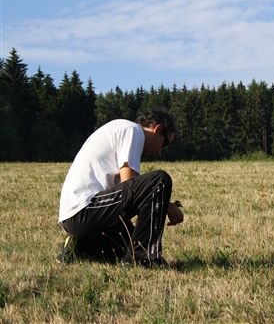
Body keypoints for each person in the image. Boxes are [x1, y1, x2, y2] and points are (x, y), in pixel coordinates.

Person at [56, 107, 184, 268]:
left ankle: (80, 249)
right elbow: (129, 183)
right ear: (157, 129)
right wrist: (169, 207)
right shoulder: (132, 130)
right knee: (158, 181)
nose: (159, 151)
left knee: (130, 245)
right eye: (164, 143)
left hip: (78, 216)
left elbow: (126, 196)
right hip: (85, 208)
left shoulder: (119, 129)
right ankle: (143, 259)